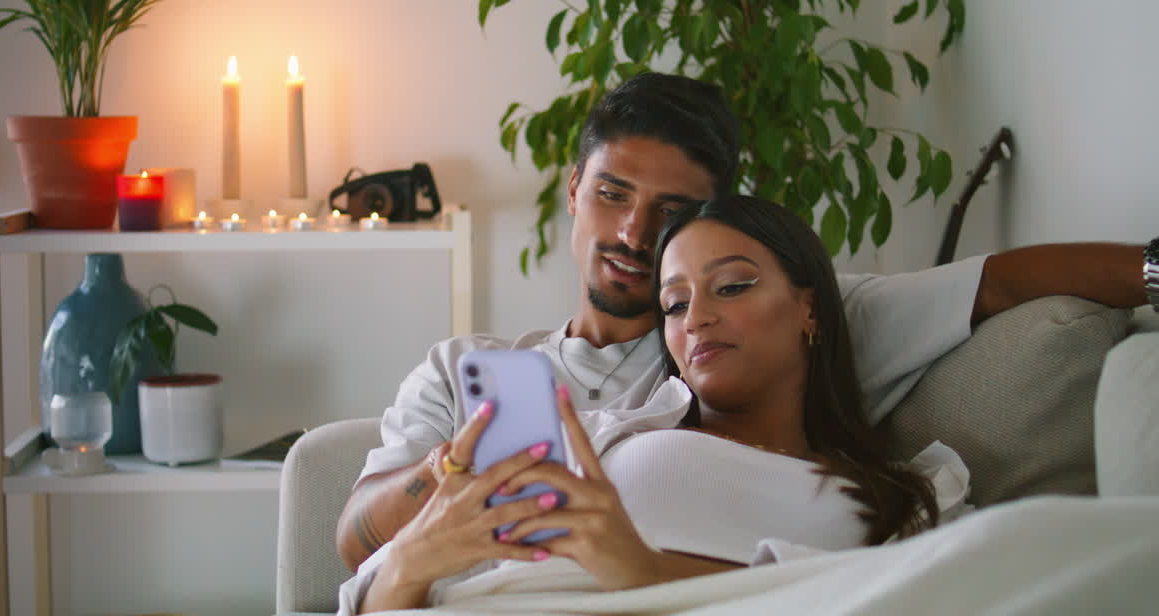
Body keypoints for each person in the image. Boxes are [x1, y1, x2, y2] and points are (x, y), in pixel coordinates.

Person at [336, 72, 1148, 572]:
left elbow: (1003, 284)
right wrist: (454, 470)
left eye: (672, 210)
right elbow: (353, 541)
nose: (632, 234)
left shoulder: (761, 325)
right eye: (614, 193)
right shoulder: (467, 368)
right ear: (575, 188)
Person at [344, 194, 961, 613]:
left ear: (811, 307)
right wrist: (412, 562)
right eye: (673, 304)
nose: (697, 319)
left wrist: (638, 570)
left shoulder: (902, 496)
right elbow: (370, 596)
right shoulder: (605, 436)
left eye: (732, 286)